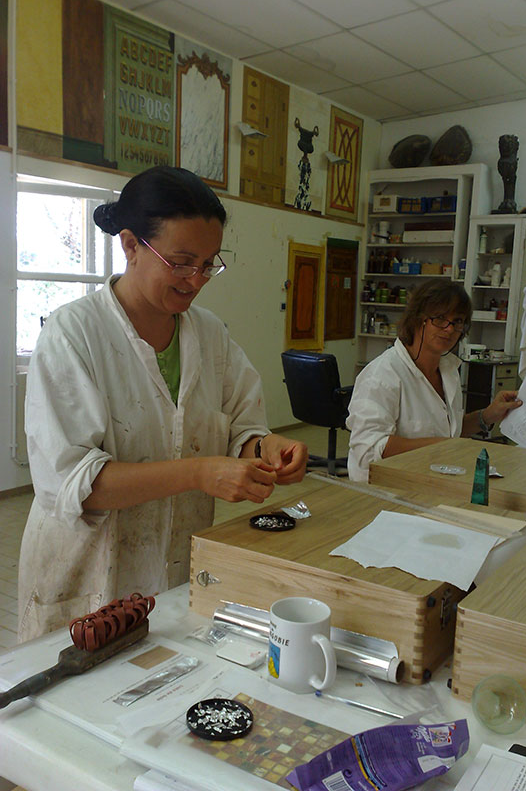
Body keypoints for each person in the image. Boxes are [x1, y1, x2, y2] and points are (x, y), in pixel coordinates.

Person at [18, 166, 308, 642]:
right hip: (86, 578)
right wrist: (200, 473)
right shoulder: (74, 335)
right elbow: (77, 484)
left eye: (209, 263)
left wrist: (265, 447)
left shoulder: (211, 336)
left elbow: (240, 428)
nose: (196, 280)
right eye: (181, 262)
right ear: (131, 245)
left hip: (170, 574)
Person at [347, 279, 521, 482]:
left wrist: (488, 415)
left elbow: (447, 432)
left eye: (457, 321)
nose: (449, 329)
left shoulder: (448, 370)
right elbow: (368, 450)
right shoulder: (382, 375)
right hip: (385, 489)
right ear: (417, 319)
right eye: (440, 318)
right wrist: (444, 446)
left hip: (432, 480)